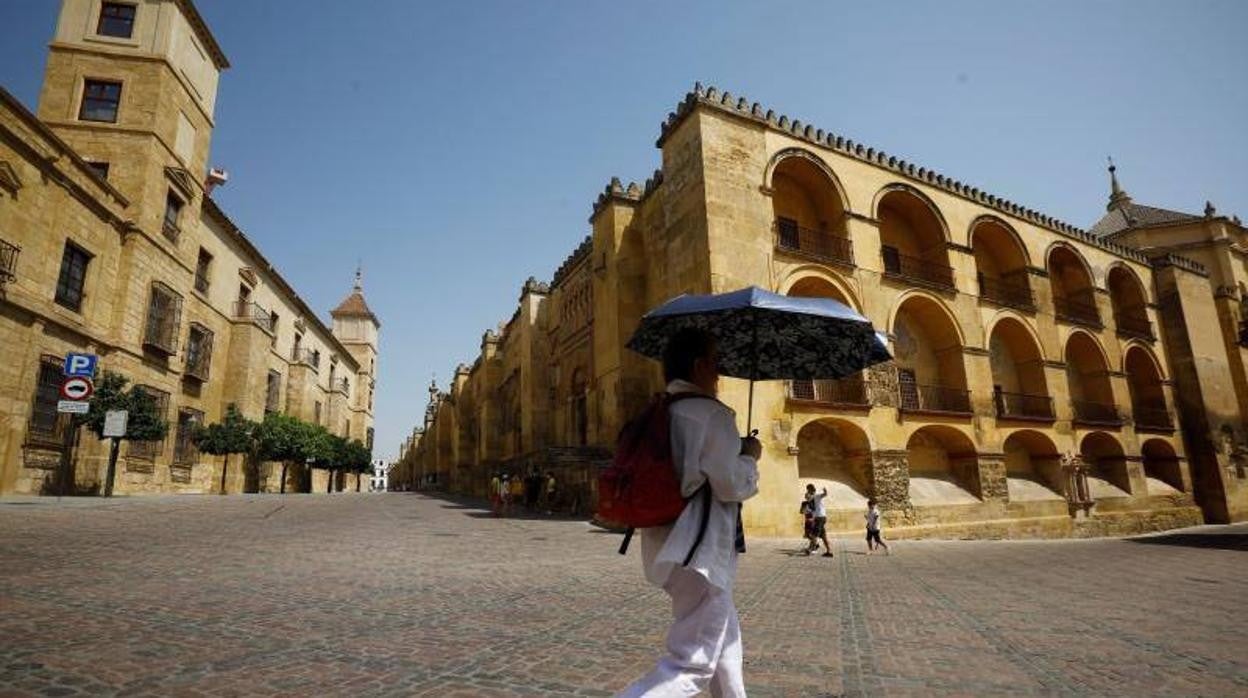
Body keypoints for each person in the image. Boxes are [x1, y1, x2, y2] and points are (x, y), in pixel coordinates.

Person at [619, 327, 760, 698]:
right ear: (699, 366)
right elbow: (729, 484)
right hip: (701, 553)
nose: (718, 373)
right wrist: (750, 457)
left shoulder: (662, 411)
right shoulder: (712, 415)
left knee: (725, 642)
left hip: (666, 546)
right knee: (691, 665)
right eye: (715, 364)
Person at [804, 484, 832, 558]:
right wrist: (812, 518)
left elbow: (824, 494)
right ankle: (829, 551)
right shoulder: (811, 502)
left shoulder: (817, 496)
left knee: (814, 535)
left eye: (808, 492)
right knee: (823, 536)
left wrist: (825, 491)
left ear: (810, 490)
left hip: (820, 518)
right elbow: (812, 511)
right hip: (820, 518)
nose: (806, 497)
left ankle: (810, 549)